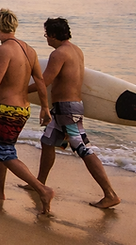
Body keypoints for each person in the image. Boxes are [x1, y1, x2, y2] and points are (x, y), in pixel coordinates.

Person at [0, 9, 55, 215]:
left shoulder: (4, 50)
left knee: (5, 152)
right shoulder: (29, 50)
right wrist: (44, 107)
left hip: (9, 110)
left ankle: (42, 189)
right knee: (0, 146)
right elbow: (41, 81)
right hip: (23, 109)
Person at [29, 18, 121, 209]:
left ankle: (110, 194)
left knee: (82, 148)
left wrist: (20, 90)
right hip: (66, 108)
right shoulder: (76, 50)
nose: (46, 38)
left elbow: (45, 81)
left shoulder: (59, 53)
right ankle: (39, 184)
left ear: (53, 35)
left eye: (46, 34)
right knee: (47, 141)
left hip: (67, 109)